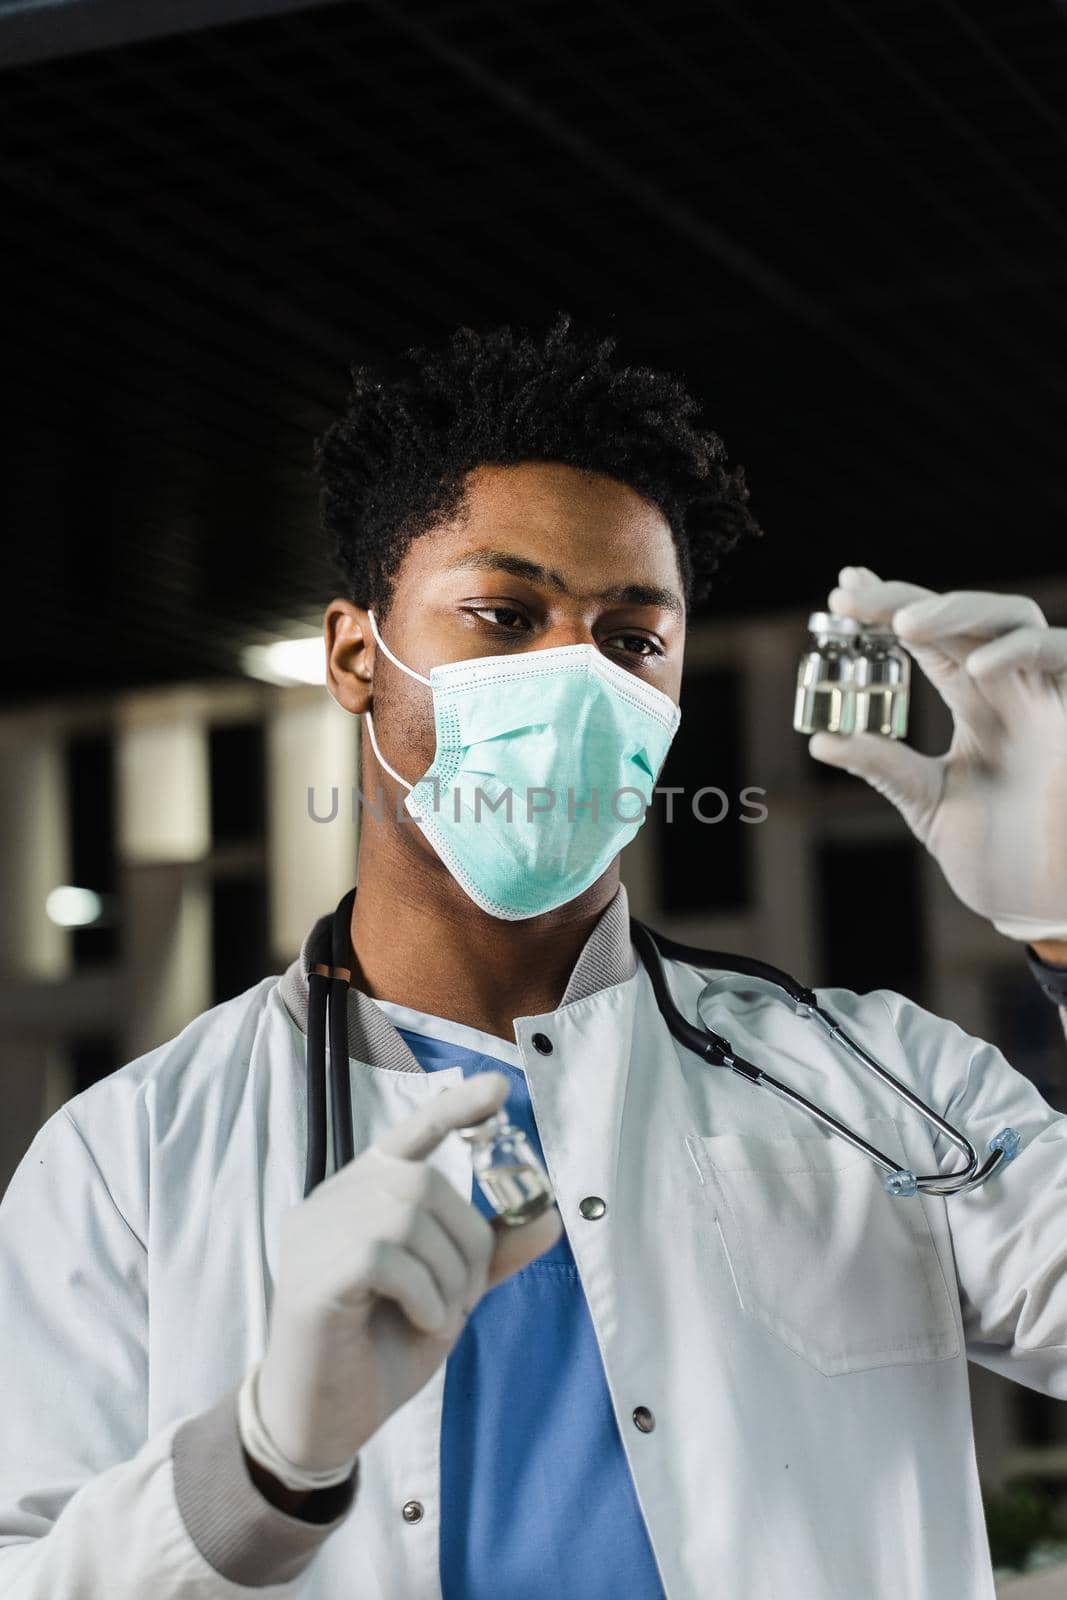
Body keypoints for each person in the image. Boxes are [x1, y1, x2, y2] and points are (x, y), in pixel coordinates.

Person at [1, 312, 1066, 1600]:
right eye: (504, 615)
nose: (575, 681)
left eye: (631, 639)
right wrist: (264, 1463)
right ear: (355, 652)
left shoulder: (879, 1085)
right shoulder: (134, 1158)